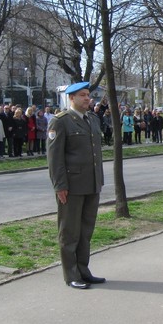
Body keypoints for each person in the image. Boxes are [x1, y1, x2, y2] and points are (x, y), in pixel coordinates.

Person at [47, 81, 105, 289]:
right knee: (69, 232)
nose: (87, 98)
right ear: (71, 98)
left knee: (85, 231)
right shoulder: (60, 122)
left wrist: (98, 180)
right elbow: (55, 158)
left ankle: (83, 270)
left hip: (91, 183)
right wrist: (59, 185)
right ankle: (71, 274)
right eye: (82, 95)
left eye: (88, 95)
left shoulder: (93, 119)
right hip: (71, 186)